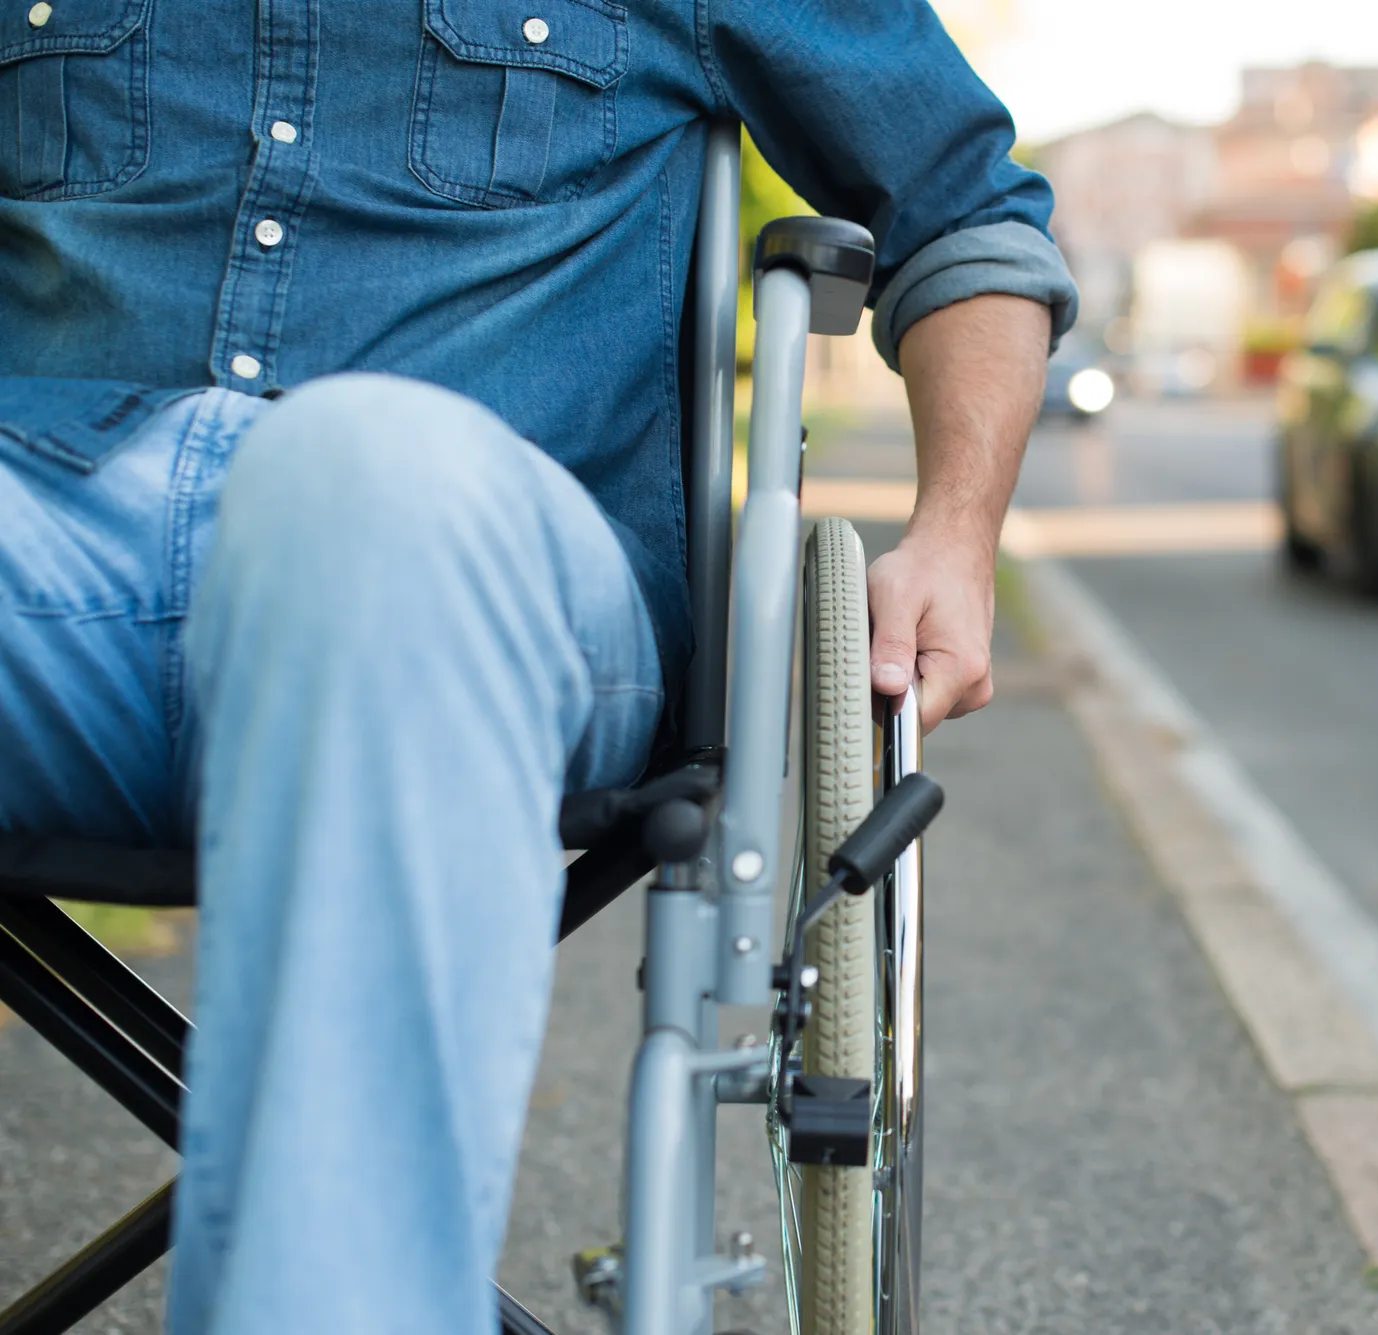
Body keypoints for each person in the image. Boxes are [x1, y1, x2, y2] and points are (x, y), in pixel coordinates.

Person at [0, 1, 1075, 1330]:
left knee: (366, 473)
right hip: (61, 555)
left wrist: (956, 534)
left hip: (468, 558)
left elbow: (970, 214)